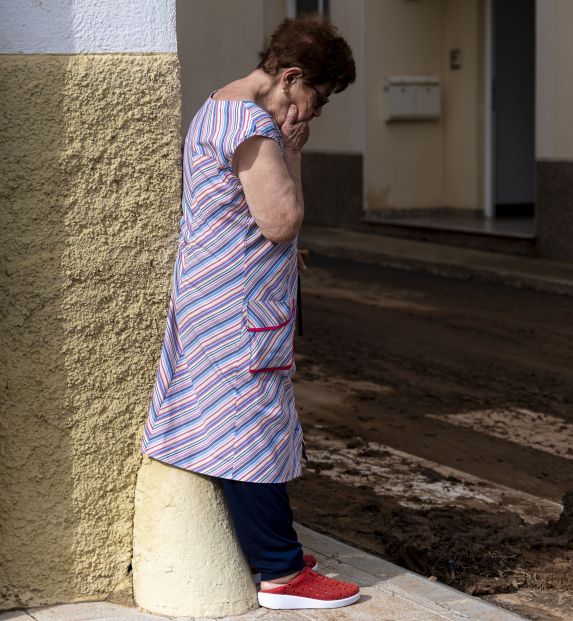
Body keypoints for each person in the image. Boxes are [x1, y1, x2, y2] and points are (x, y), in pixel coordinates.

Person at [140, 14, 359, 610]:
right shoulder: (253, 126)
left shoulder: (218, 105)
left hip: (219, 298)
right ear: (291, 78)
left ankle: (276, 550)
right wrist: (292, 148)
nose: (316, 111)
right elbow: (282, 220)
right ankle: (281, 573)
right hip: (238, 308)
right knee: (249, 433)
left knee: (242, 422)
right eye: (319, 95)